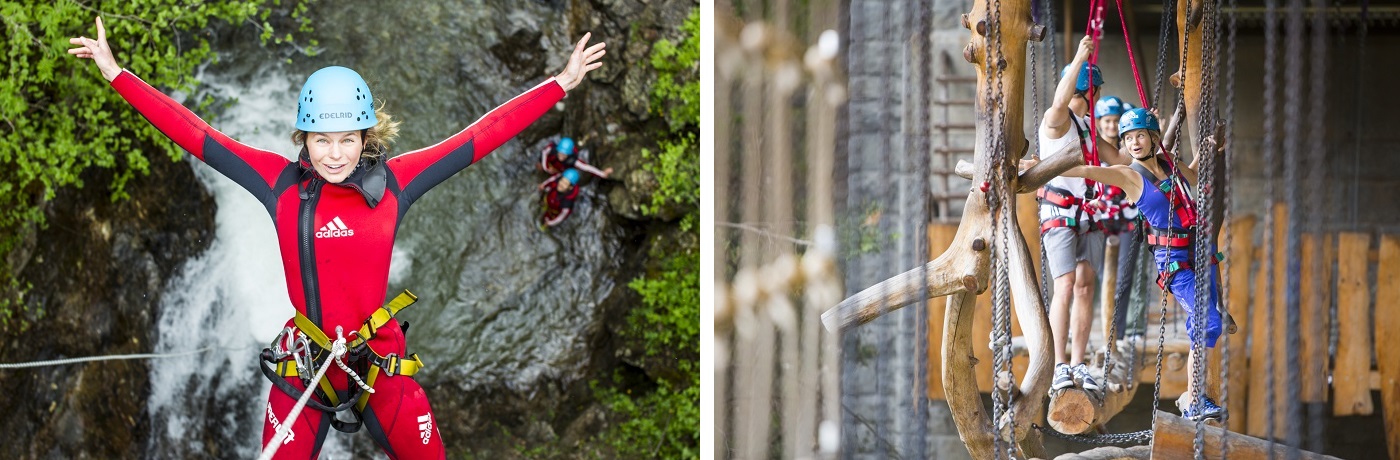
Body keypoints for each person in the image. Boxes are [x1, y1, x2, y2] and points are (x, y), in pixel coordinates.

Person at [69, 16, 606, 458]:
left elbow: (478, 137)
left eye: (348, 139)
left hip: (381, 364)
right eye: (321, 140)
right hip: (305, 367)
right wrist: (118, 75)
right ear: (302, 138)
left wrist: (559, 84)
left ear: (367, 136)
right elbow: (197, 135)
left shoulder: (398, 181)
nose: (334, 153)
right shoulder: (278, 183)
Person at [1058, 107, 1225, 422]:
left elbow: (1192, 177)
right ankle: (1194, 401)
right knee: (1208, 323)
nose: (1134, 143)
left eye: (1139, 136)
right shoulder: (1129, 175)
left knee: (1208, 323)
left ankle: (1193, 395)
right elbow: (1086, 171)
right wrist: (1039, 167)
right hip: (1174, 260)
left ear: (1153, 138)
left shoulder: (1169, 163)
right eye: (1128, 138)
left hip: (1198, 251)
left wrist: (1206, 153)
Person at [1037, 35, 1128, 394]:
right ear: (1089, 91)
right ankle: (1060, 364)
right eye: (1098, 92)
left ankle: (1077, 363)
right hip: (1060, 214)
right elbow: (1061, 98)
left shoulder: (1089, 127)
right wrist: (1079, 57)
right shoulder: (1055, 122)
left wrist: (1150, 134)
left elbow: (1119, 160)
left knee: (1086, 287)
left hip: (1089, 216)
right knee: (1065, 285)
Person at [1094, 96, 1149, 342]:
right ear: (1098, 122)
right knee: (1101, 276)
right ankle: (1105, 330)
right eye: (1106, 121)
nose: (1111, 126)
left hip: (1127, 218)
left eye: (1115, 121)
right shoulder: (1091, 148)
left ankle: (1122, 333)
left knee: (1125, 278)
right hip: (1100, 219)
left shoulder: (1128, 149)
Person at [538, 136, 611, 178]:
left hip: (561, 168)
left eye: (564, 155)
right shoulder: (552, 149)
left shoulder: (573, 160)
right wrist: (546, 168)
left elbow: (586, 167)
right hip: (552, 163)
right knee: (539, 166)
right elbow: (544, 153)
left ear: (569, 154)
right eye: (560, 153)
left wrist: (601, 173)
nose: (561, 157)